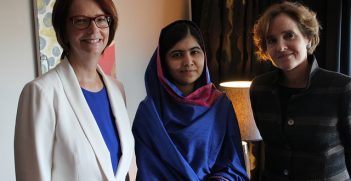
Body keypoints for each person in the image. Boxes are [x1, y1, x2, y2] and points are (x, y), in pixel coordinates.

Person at [14, 0, 134, 180]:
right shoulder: (41, 93)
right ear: (64, 29)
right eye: (81, 20)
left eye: (101, 19)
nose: (94, 30)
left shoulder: (117, 90)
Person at [132, 20, 248, 181]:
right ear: (162, 63)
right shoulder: (150, 112)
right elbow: (148, 172)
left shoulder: (220, 105)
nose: (188, 62)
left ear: (204, 56)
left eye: (195, 52)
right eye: (177, 54)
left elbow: (233, 165)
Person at [250, 1, 351, 180]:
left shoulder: (341, 88)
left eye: (289, 35)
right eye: (272, 40)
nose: (280, 47)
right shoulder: (259, 88)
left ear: (308, 38)